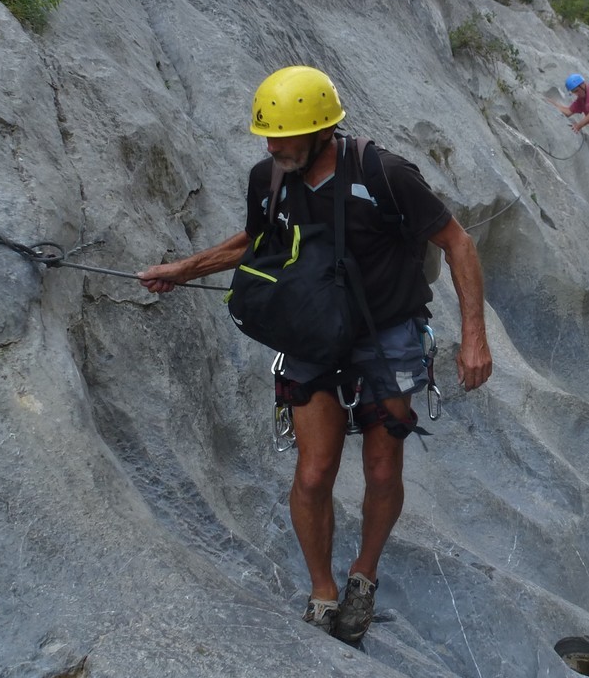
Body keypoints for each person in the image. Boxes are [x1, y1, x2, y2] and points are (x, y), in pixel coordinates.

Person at [137, 66, 492, 646]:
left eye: (287, 138)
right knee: (313, 469)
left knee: (382, 468)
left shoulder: (384, 172)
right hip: (312, 332)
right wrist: (184, 268)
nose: (276, 148)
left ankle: (364, 578)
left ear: (324, 131)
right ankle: (323, 592)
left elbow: (457, 241)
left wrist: (474, 335)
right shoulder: (269, 177)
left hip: (386, 333)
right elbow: (256, 240)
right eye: (269, 138)